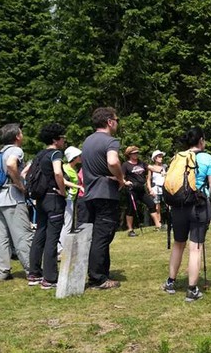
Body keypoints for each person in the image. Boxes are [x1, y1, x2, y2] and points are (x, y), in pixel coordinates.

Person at [161, 127, 211, 302]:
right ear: (201, 140)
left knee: (179, 244)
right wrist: (206, 196)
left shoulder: (178, 157)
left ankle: (170, 282)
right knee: (196, 247)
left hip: (178, 206)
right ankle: (192, 290)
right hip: (198, 207)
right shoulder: (207, 158)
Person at [81, 107, 126, 290]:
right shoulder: (110, 141)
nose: (117, 122)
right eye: (116, 119)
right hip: (105, 194)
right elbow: (113, 161)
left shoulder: (87, 141)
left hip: (90, 194)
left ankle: (101, 273)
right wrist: (121, 179)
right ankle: (97, 278)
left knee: (97, 236)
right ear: (109, 121)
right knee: (102, 236)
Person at [0, 125, 34, 282]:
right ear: (17, 137)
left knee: (2, 237)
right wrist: (20, 185)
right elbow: (10, 165)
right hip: (12, 198)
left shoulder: (0, 152)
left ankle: (2, 272)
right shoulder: (15, 150)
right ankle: (32, 270)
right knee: (22, 235)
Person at [28, 124, 68, 289]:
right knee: (52, 238)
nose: (64, 140)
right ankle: (50, 278)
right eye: (62, 137)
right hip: (54, 199)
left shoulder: (39, 155)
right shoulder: (55, 154)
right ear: (55, 139)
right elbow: (58, 173)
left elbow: (25, 174)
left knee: (40, 234)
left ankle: (34, 273)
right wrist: (63, 191)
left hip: (41, 199)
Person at [122, 146, 162, 235]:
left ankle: (158, 225)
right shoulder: (125, 165)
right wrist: (125, 182)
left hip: (141, 189)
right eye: (134, 153)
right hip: (132, 190)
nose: (136, 154)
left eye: (137, 153)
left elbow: (151, 167)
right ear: (129, 154)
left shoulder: (141, 163)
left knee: (151, 204)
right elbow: (121, 177)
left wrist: (161, 170)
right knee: (131, 209)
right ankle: (130, 230)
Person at [59, 146, 84, 254]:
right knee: (67, 225)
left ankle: (62, 248)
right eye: (79, 156)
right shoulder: (65, 168)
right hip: (66, 198)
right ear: (74, 157)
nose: (81, 157)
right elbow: (63, 181)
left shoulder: (73, 169)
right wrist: (78, 187)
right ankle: (62, 250)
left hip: (71, 199)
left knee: (67, 224)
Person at [147, 150, 166, 219]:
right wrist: (150, 189)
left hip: (165, 187)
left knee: (169, 204)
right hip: (155, 188)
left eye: (161, 156)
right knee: (157, 206)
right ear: (155, 158)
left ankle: (171, 221)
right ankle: (159, 222)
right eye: (159, 156)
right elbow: (148, 179)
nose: (161, 158)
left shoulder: (165, 167)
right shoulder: (151, 168)